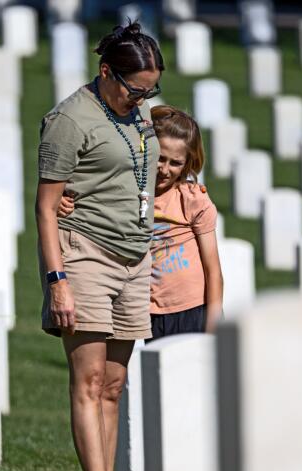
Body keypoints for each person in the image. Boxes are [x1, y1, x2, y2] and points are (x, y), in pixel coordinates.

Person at [35, 22, 164, 471]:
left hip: (135, 257)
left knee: (114, 383)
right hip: (86, 254)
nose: (142, 98)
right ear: (106, 72)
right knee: (88, 380)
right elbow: (46, 206)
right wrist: (57, 281)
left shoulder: (140, 114)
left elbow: (141, 170)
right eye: (136, 89)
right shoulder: (70, 120)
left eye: (151, 90)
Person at [59, 106, 223, 338]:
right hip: (144, 307)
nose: (165, 170)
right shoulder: (124, 190)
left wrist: (214, 322)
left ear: (187, 162)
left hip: (191, 309)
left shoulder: (192, 199)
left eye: (175, 163)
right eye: (160, 158)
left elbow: (213, 268)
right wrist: (63, 202)